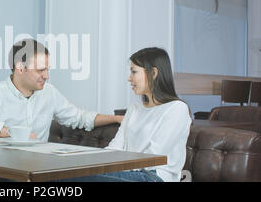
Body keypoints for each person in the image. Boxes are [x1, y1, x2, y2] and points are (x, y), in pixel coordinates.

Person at [0, 38, 123, 182]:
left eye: (48, 69)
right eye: (41, 70)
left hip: (39, 172)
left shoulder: (50, 92)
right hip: (0, 171)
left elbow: (79, 117)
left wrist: (116, 119)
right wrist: (8, 131)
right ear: (20, 68)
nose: (46, 76)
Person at [61, 47, 192, 182]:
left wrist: (114, 168)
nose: (129, 78)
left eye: (134, 72)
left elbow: (152, 159)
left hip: (154, 176)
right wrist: (90, 161)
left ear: (153, 73)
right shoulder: (134, 108)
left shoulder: (177, 109)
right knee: (61, 172)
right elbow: (115, 148)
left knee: (67, 176)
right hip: (128, 171)